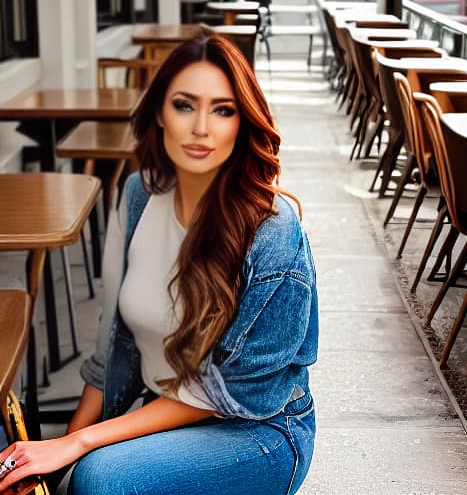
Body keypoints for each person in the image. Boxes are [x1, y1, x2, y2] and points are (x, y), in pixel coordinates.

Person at [0, 31, 318, 495]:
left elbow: (232, 393)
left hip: (258, 429)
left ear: (243, 122)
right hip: (167, 407)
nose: (201, 128)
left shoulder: (273, 231)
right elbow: (113, 349)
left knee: (100, 479)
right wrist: (54, 454)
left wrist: (78, 446)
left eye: (223, 109)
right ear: (160, 115)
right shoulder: (139, 195)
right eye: (185, 105)